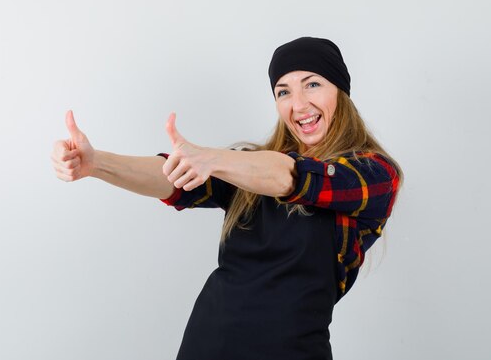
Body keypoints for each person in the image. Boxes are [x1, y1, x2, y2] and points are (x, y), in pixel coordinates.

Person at [51, 36, 403, 360]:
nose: (298, 104)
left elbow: (294, 177)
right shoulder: (247, 166)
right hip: (207, 344)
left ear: (340, 90)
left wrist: (214, 159)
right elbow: (173, 179)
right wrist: (96, 164)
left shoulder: (374, 175)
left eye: (312, 84)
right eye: (283, 92)